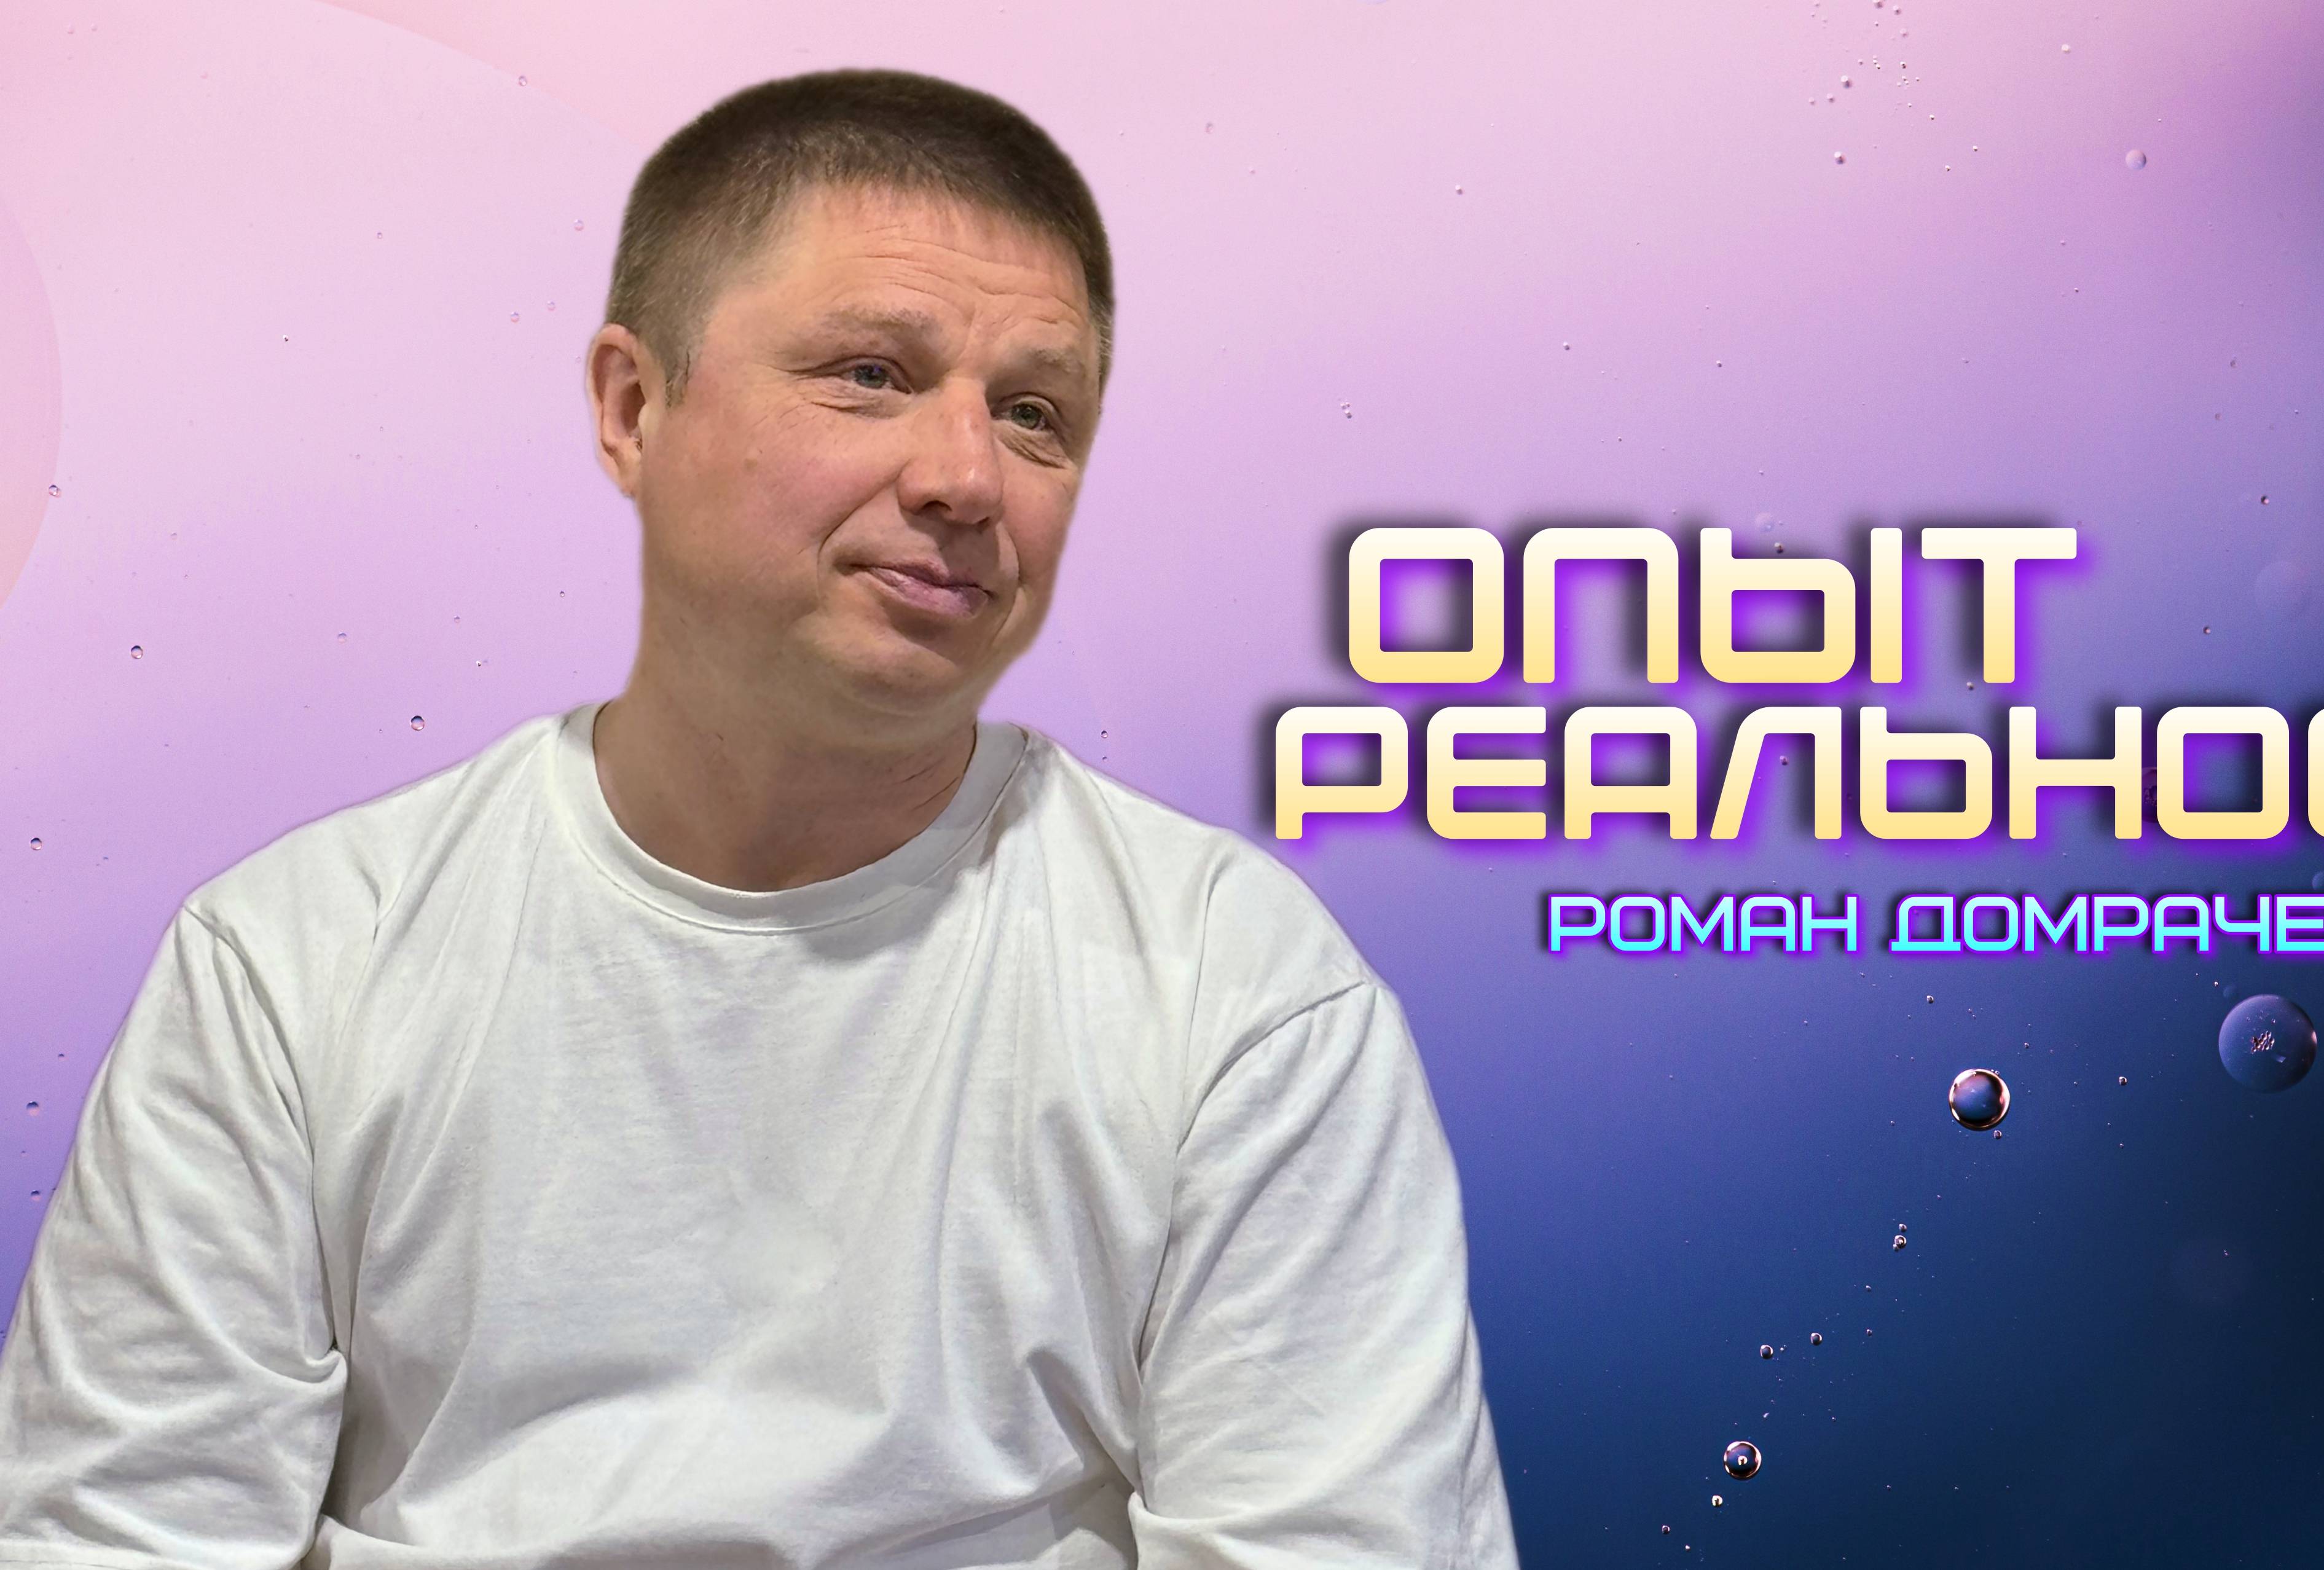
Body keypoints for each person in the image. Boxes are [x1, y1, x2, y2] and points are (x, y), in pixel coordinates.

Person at [0, 68, 1518, 1569]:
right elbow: (123, 1542)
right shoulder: (294, 967)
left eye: (1036, 414)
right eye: (870, 374)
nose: (966, 477)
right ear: (633, 407)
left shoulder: (1238, 994)